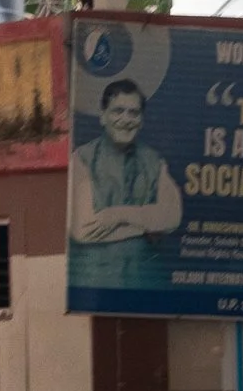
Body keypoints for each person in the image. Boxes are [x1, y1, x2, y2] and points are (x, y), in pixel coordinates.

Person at [67, 78, 181, 289]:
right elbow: (82, 229)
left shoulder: (154, 161)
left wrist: (116, 215)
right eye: (118, 111)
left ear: (142, 120)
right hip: (97, 283)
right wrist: (147, 224)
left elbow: (172, 217)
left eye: (133, 113)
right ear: (102, 116)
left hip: (146, 282)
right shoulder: (82, 159)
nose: (126, 119)